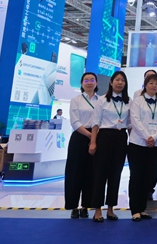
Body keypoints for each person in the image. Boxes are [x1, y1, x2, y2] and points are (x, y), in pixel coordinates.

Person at [88, 71, 131, 223]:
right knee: (100, 174)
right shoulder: (101, 100)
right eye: (117, 80)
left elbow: (130, 124)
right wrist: (93, 142)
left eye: (123, 80)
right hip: (105, 137)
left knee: (116, 174)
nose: (120, 82)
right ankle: (97, 210)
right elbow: (95, 122)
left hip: (121, 138)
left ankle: (111, 209)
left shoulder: (129, 101)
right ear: (111, 82)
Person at [128, 73, 157, 222]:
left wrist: (154, 137)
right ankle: (135, 210)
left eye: (156, 84)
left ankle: (143, 208)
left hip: (154, 144)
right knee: (136, 176)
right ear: (145, 85)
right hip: (138, 143)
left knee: (148, 177)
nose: (154, 86)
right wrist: (146, 136)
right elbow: (135, 121)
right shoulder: (137, 101)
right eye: (151, 83)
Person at [64, 73, 98, 219]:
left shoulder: (101, 100)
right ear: (82, 83)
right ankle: (73, 206)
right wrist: (90, 136)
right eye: (86, 80)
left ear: (96, 83)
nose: (89, 82)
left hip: (96, 137)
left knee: (91, 173)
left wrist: (94, 137)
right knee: (75, 172)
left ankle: (86, 206)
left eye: (92, 80)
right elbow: (75, 122)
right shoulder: (76, 100)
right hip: (79, 137)